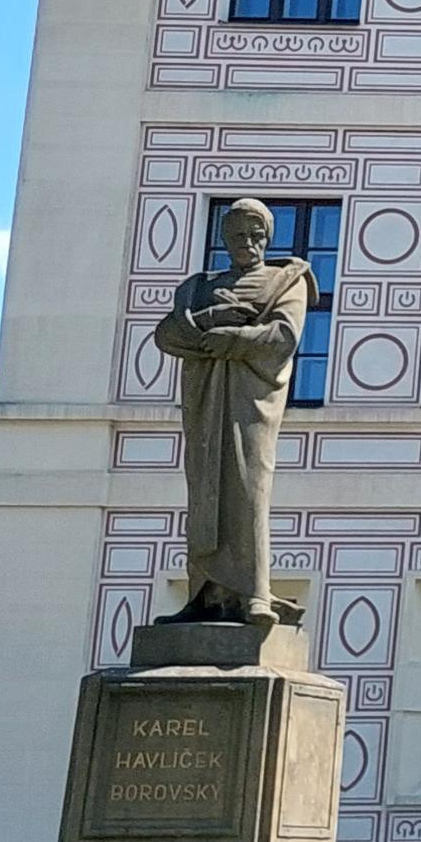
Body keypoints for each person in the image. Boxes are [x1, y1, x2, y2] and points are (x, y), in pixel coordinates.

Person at [150, 196, 313, 624]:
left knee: (248, 486)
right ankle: (205, 595)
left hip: (250, 403)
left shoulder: (285, 281)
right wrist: (213, 319)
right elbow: (168, 335)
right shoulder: (198, 287)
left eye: (255, 235)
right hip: (204, 403)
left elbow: (283, 335)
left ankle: (255, 592)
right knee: (204, 492)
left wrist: (235, 341)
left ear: (267, 238)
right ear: (224, 240)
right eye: (238, 235)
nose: (247, 242)